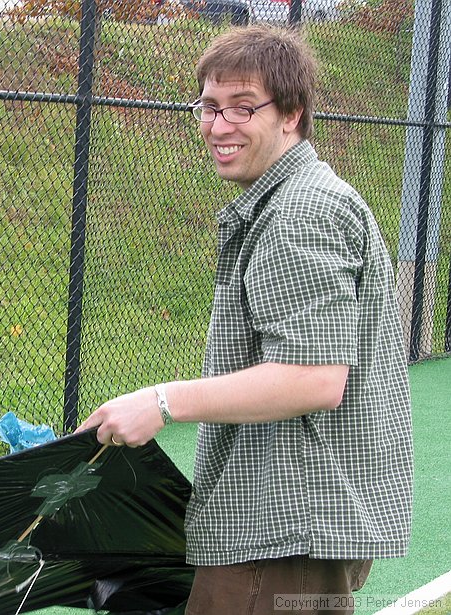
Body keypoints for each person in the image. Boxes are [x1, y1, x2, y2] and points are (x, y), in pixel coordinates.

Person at [77, 25, 412, 614]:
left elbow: (313, 378)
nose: (218, 124)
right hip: (290, 521)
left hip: (283, 523)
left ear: (291, 115)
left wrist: (159, 402)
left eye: (242, 107)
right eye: (209, 106)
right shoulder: (296, 199)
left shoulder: (299, 214)